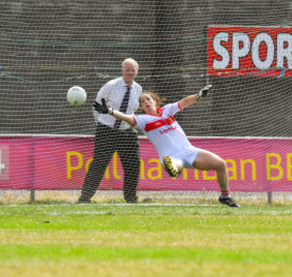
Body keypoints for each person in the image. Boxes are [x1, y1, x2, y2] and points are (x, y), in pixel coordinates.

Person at [93, 84, 240, 207]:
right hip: (171, 156)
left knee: (220, 164)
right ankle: (173, 167)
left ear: (155, 101)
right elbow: (127, 118)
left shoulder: (167, 110)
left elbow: (184, 102)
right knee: (174, 165)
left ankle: (225, 197)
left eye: (148, 99)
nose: (146, 102)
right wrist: (110, 111)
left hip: (190, 151)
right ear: (141, 107)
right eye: (143, 101)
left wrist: (198, 95)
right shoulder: (143, 119)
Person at [78, 58, 143, 204]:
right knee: (99, 164)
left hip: (127, 132)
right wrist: (102, 124)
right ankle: (85, 197)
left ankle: (131, 198)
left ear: (137, 72)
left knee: (133, 164)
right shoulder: (110, 86)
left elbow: (133, 110)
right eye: (127, 69)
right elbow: (97, 106)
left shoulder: (138, 89)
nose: (130, 72)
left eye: (133, 70)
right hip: (106, 130)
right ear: (122, 70)